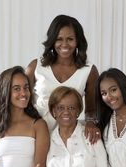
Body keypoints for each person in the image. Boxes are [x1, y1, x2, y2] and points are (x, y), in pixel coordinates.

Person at [26, 14, 100, 143]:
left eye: (70, 39)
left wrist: (91, 123)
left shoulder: (89, 71)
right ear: (52, 40)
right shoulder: (35, 67)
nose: (64, 44)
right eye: (59, 39)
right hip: (33, 135)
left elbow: (91, 109)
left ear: (78, 41)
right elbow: (16, 104)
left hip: (67, 137)